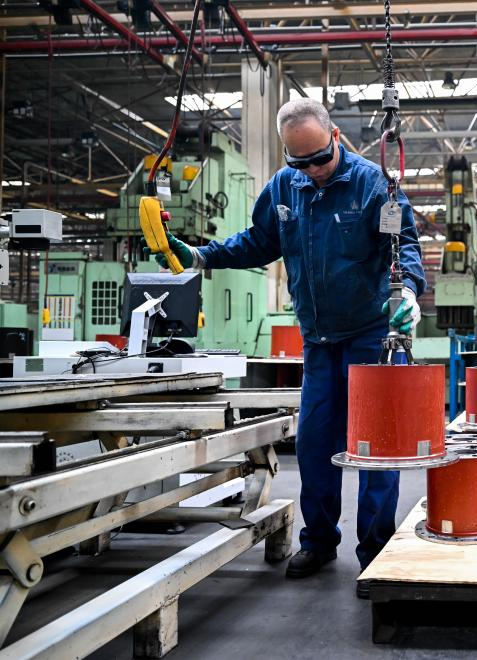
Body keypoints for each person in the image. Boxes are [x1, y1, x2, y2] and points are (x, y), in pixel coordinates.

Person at [151, 98, 426, 580]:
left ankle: (376, 553)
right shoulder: (285, 188)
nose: (313, 170)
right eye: (301, 163)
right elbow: (258, 242)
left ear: (335, 137)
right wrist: (200, 256)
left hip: (371, 338)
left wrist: (408, 293)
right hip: (319, 342)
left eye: (320, 158)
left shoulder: (372, 185)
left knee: (376, 448)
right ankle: (318, 542)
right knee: (315, 444)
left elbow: (404, 246)